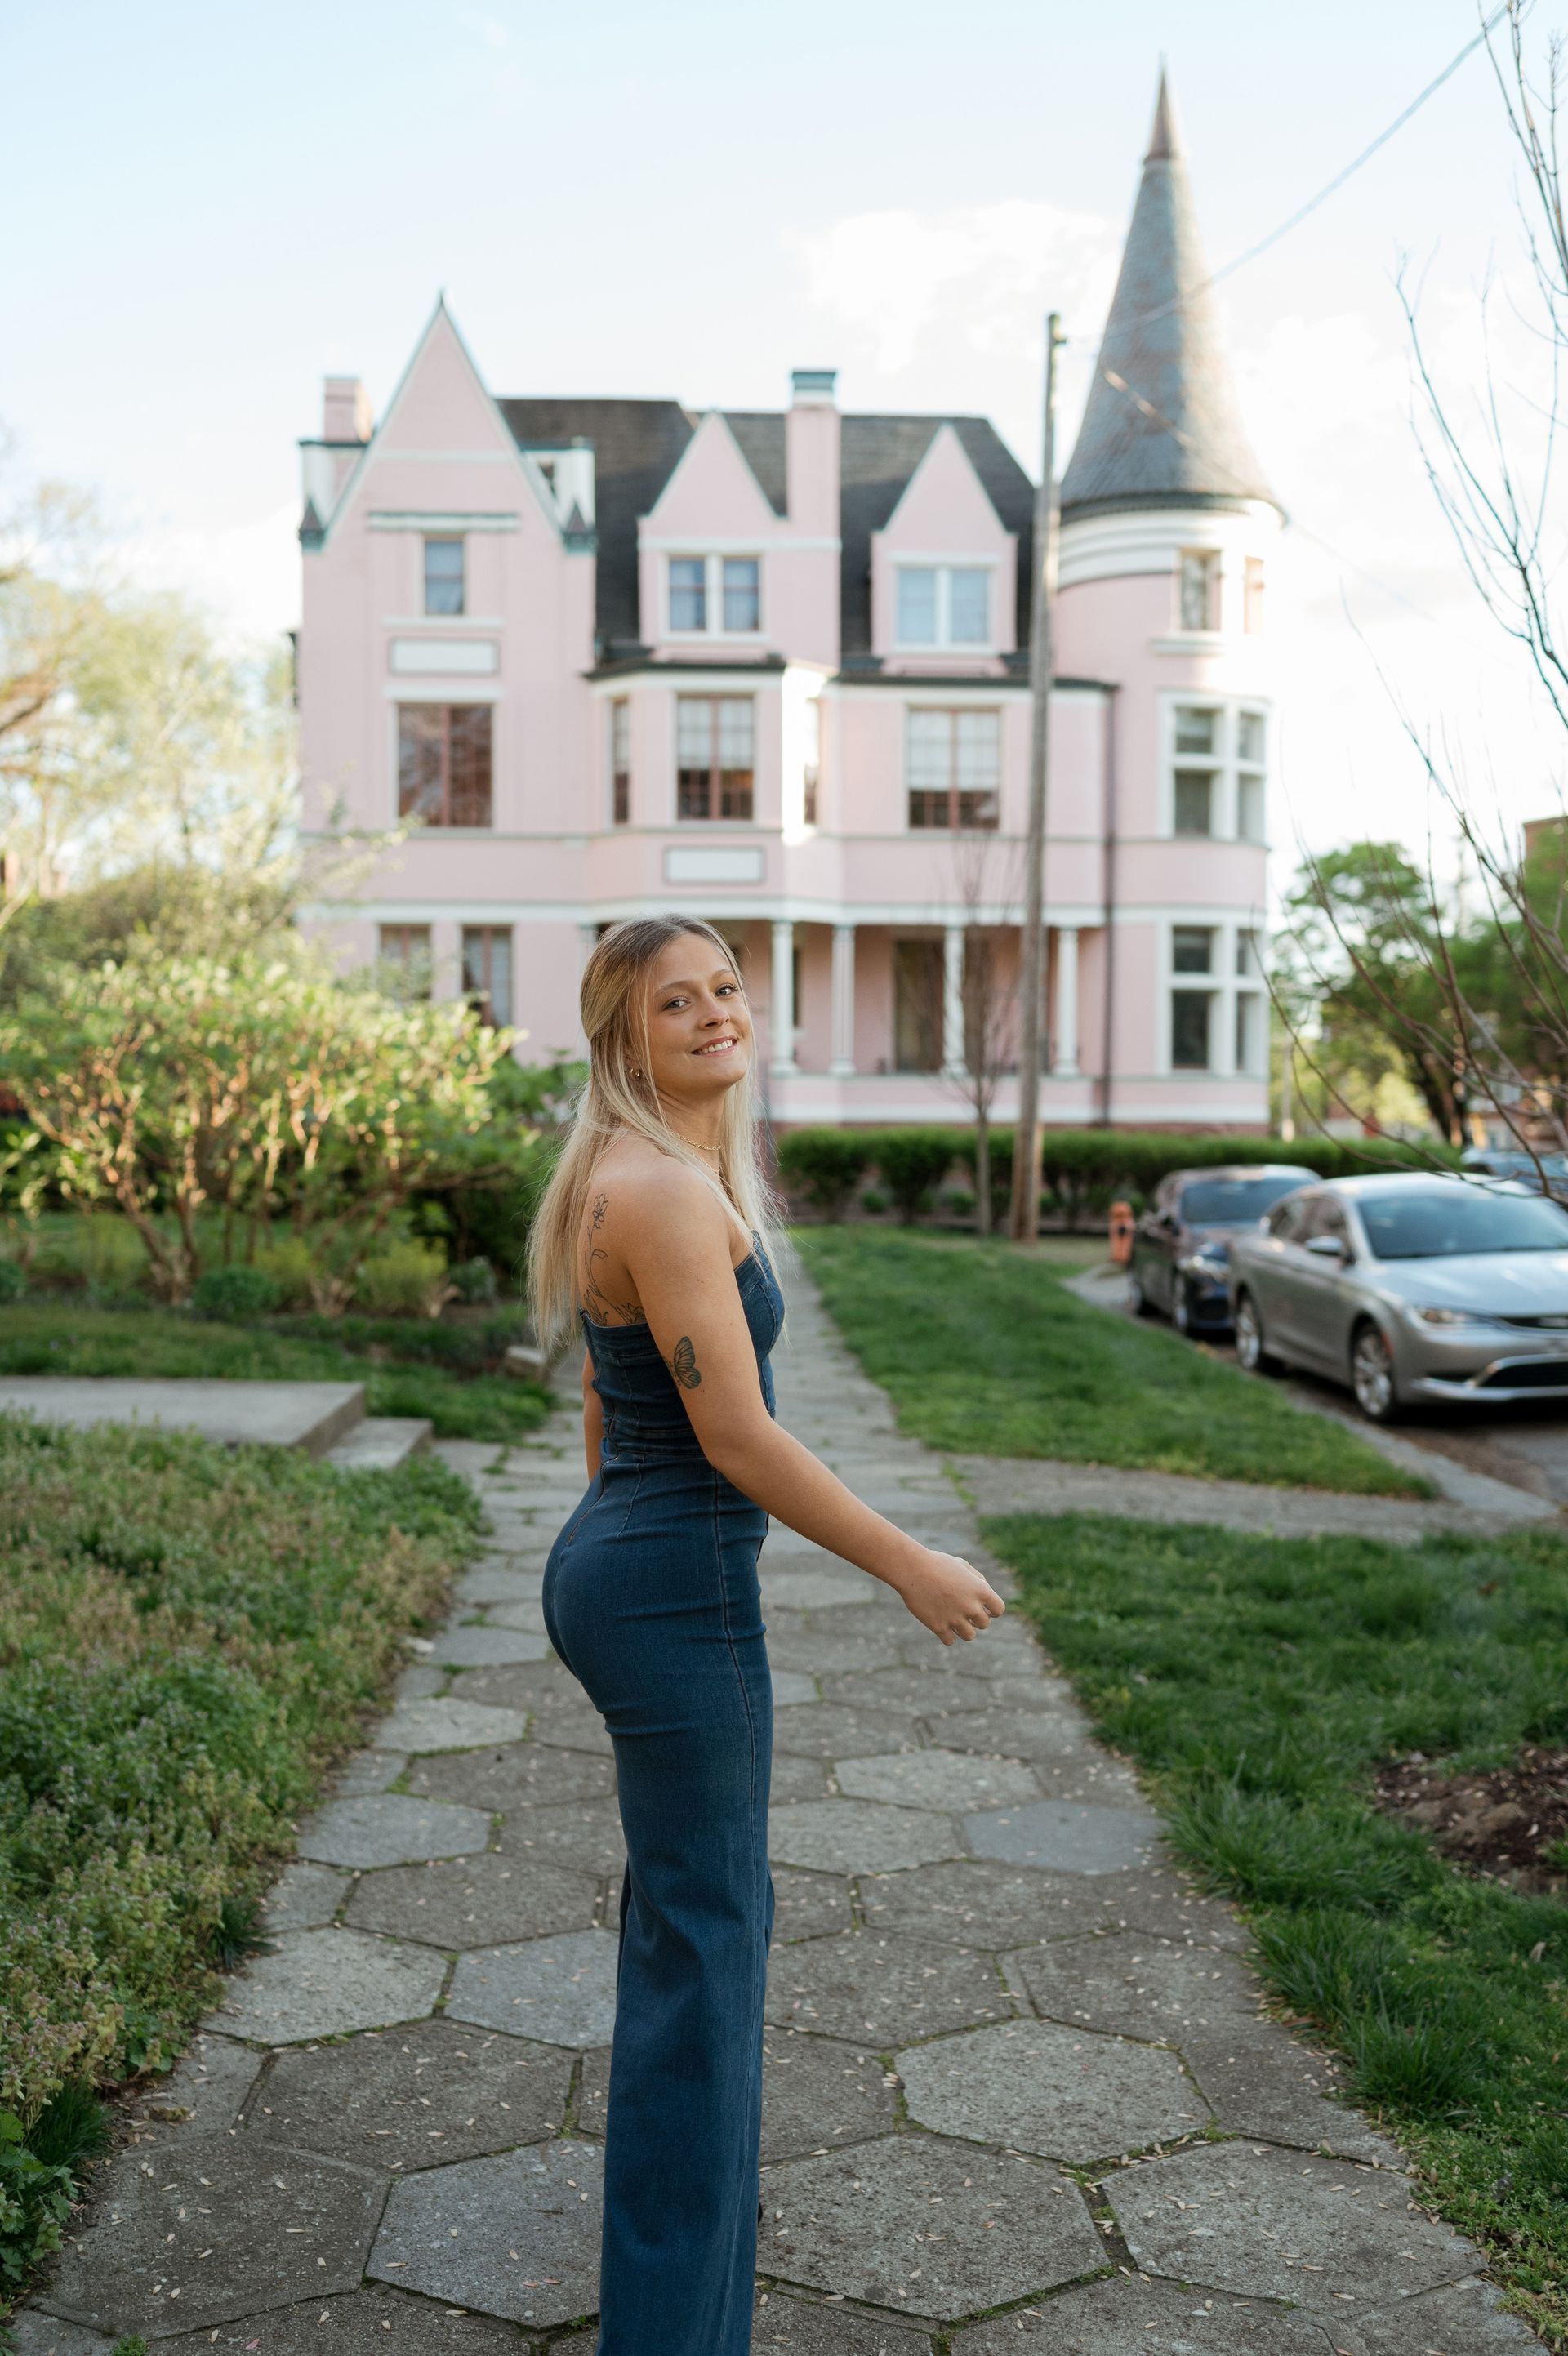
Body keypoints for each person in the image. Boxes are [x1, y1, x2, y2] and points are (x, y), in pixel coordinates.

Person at [528, 914, 1004, 2355]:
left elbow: (609, 1400)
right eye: (676, 1002)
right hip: (674, 1595)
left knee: (686, 1934)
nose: (716, 1013)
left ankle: (684, 2307)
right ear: (625, 1038)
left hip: (626, 1568)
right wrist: (910, 1562)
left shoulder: (628, 1175)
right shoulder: (664, 1194)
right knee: (709, 1959)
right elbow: (735, 1435)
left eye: (726, 986)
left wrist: (613, 1535)